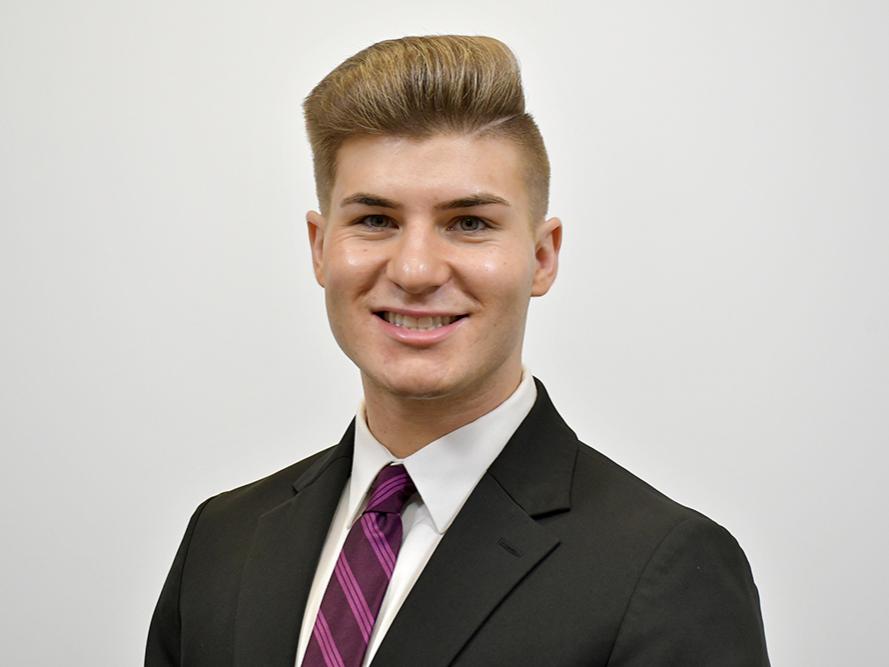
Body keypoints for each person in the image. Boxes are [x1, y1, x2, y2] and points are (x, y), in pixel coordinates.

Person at [146, 35, 769, 666]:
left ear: (542, 256)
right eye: (375, 220)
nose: (415, 270)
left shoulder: (665, 569)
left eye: (469, 223)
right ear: (319, 246)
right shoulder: (221, 540)